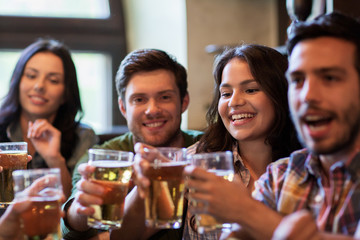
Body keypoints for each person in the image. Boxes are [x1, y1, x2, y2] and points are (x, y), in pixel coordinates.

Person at [186, 11, 360, 240]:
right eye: (298, 81)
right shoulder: (282, 176)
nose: (308, 95)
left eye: (329, 78)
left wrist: (245, 210)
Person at [131, 44, 301, 240]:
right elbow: (124, 236)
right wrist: (147, 183)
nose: (234, 102)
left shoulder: (306, 168)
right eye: (226, 93)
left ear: (281, 94)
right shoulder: (197, 160)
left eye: (251, 89)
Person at [61, 49, 203, 240]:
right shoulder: (104, 157)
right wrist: (80, 210)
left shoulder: (207, 147)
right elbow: (72, 229)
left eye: (165, 97)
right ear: (123, 107)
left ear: (184, 101)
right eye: (139, 99)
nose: (152, 110)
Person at [0, 38, 98, 199]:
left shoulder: (83, 137)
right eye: (31, 76)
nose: (39, 86)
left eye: (53, 80)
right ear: (17, 82)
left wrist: (55, 159)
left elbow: (75, 210)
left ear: (66, 93)